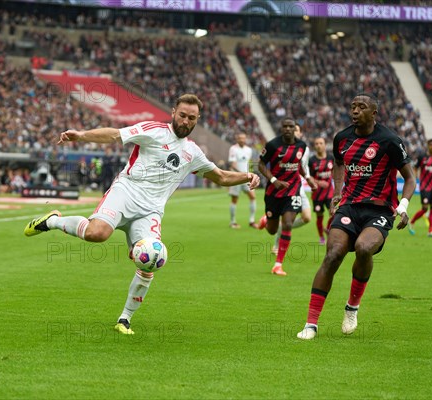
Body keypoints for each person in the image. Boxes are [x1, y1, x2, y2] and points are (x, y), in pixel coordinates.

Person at [23, 94, 260, 335]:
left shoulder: (192, 153)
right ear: (173, 112)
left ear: (197, 120)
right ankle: (52, 221)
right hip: (125, 193)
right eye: (182, 115)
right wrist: (82, 135)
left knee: (151, 261)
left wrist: (247, 176)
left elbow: (220, 176)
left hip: (151, 210)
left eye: (191, 118)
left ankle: (124, 319)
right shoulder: (153, 131)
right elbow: (116, 134)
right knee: (97, 233)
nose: (185, 121)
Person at [297, 94, 416, 340]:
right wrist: (338, 192)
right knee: (332, 255)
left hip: (379, 210)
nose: (355, 110)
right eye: (353, 106)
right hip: (349, 207)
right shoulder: (342, 138)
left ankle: (352, 308)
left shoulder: (390, 140)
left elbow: (410, 176)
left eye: (362, 107)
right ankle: (311, 324)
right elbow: (338, 163)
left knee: (363, 248)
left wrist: (403, 205)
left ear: (374, 113)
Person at [257, 118, 317, 276]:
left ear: (295, 128)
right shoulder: (272, 145)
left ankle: (278, 264)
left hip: (292, 190)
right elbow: (261, 165)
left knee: (288, 224)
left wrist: (308, 178)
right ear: (281, 128)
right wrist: (273, 180)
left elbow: (299, 166)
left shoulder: (301, 146)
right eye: (285, 126)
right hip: (273, 192)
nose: (288, 129)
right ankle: (266, 219)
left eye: (291, 126)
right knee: (271, 230)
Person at [269, 123, 313, 254]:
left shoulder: (305, 148)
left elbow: (304, 167)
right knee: (288, 218)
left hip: (300, 186)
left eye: (296, 130)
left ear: (300, 134)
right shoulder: (283, 149)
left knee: (307, 218)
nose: (293, 132)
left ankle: (281, 227)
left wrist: (309, 179)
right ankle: (277, 245)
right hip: (288, 187)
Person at [409, 138, 432, 238]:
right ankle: (412, 222)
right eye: (431, 145)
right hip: (424, 187)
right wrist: (414, 179)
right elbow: (415, 168)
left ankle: (430, 231)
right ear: (428, 146)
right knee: (425, 208)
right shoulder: (422, 157)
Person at [228, 132, 258, 229]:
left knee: (253, 197)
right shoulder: (233, 149)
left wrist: (251, 174)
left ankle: (252, 221)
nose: (242, 140)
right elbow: (233, 164)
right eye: (240, 138)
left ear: (246, 139)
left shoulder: (249, 150)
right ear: (237, 139)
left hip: (247, 177)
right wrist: (242, 174)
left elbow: (249, 163)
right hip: (236, 177)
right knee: (234, 199)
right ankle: (232, 222)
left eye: (243, 138)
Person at [308, 136, 335, 244]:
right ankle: (321, 238)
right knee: (319, 216)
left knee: (334, 214)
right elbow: (309, 177)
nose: (318, 145)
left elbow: (334, 171)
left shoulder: (331, 158)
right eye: (316, 144)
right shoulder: (312, 161)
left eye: (321, 143)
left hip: (330, 193)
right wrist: (319, 183)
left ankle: (328, 229)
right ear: (314, 146)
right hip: (317, 194)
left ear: (325, 145)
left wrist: (330, 180)